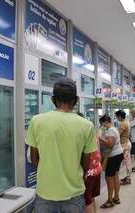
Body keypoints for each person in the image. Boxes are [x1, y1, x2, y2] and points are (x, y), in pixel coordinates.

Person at [26, 78, 97, 213]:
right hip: (74, 192)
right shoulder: (87, 126)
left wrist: (46, 173)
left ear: (53, 100)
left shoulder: (36, 121)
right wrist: (80, 177)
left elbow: (34, 159)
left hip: (45, 191)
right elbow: (86, 162)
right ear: (76, 100)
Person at [77, 112, 102, 213]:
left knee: (87, 202)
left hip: (89, 173)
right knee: (91, 198)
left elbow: (84, 157)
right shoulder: (92, 133)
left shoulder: (82, 136)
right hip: (97, 169)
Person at [98, 115, 124, 209]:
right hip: (118, 154)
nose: (102, 126)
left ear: (105, 122)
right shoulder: (114, 129)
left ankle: (110, 200)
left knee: (109, 178)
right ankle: (116, 197)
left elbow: (110, 144)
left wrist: (100, 138)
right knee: (115, 176)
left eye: (102, 124)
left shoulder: (111, 130)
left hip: (114, 156)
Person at [115, 110, 132, 185]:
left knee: (126, 162)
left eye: (116, 116)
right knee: (127, 161)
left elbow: (118, 134)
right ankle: (128, 177)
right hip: (126, 143)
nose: (116, 118)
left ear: (119, 116)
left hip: (124, 144)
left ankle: (128, 179)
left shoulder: (123, 124)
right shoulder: (126, 122)